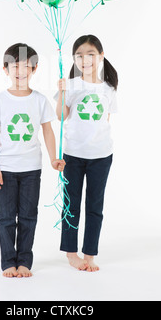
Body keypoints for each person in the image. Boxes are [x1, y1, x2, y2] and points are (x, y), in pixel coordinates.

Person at [0, 42, 65, 278]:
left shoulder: (39, 100)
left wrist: (52, 158)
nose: (19, 71)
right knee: (6, 217)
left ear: (34, 69)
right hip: (6, 169)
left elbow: (48, 131)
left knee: (28, 216)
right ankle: (8, 262)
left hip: (31, 169)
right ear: (5, 69)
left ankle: (24, 261)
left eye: (25, 66)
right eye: (14, 66)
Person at [54, 34, 118, 272]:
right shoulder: (70, 85)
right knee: (71, 204)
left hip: (101, 155)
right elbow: (61, 116)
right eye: (79, 55)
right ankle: (71, 253)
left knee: (94, 205)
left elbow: (106, 119)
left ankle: (90, 253)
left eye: (90, 54)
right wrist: (60, 92)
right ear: (74, 59)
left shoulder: (108, 88)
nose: (85, 59)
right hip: (73, 154)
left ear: (100, 56)